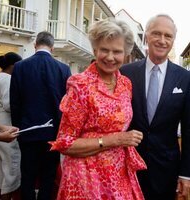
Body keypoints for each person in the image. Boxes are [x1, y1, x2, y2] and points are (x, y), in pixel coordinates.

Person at [49, 18, 146, 200]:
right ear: (95, 50)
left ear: (125, 54)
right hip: (86, 179)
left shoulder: (125, 84)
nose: (110, 57)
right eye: (104, 50)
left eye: (117, 52)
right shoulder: (81, 85)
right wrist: (115, 139)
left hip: (119, 176)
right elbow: (65, 143)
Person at [120, 14, 190, 200]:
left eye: (168, 36)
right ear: (147, 37)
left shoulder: (185, 79)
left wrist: (186, 174)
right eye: (156, 34)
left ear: (173, 40)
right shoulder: (125, 73)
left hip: (166, 170)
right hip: (127, 166)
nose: (162, 40)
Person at [10, 31, 71, 200]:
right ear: (52, 48)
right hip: (53, 133)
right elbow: (68, 105)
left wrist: (18, 129)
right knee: (48, 177)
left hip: (27, 130)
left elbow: (15, 102)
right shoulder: (63, 69)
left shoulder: (20, 67)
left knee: (27, 175)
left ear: (35, 45)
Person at [0, 52, 22, 200]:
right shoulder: (9, 79)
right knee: (11, 169)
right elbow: (9, 104)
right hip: (7, 123)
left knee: (2, 169)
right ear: (13, 66)